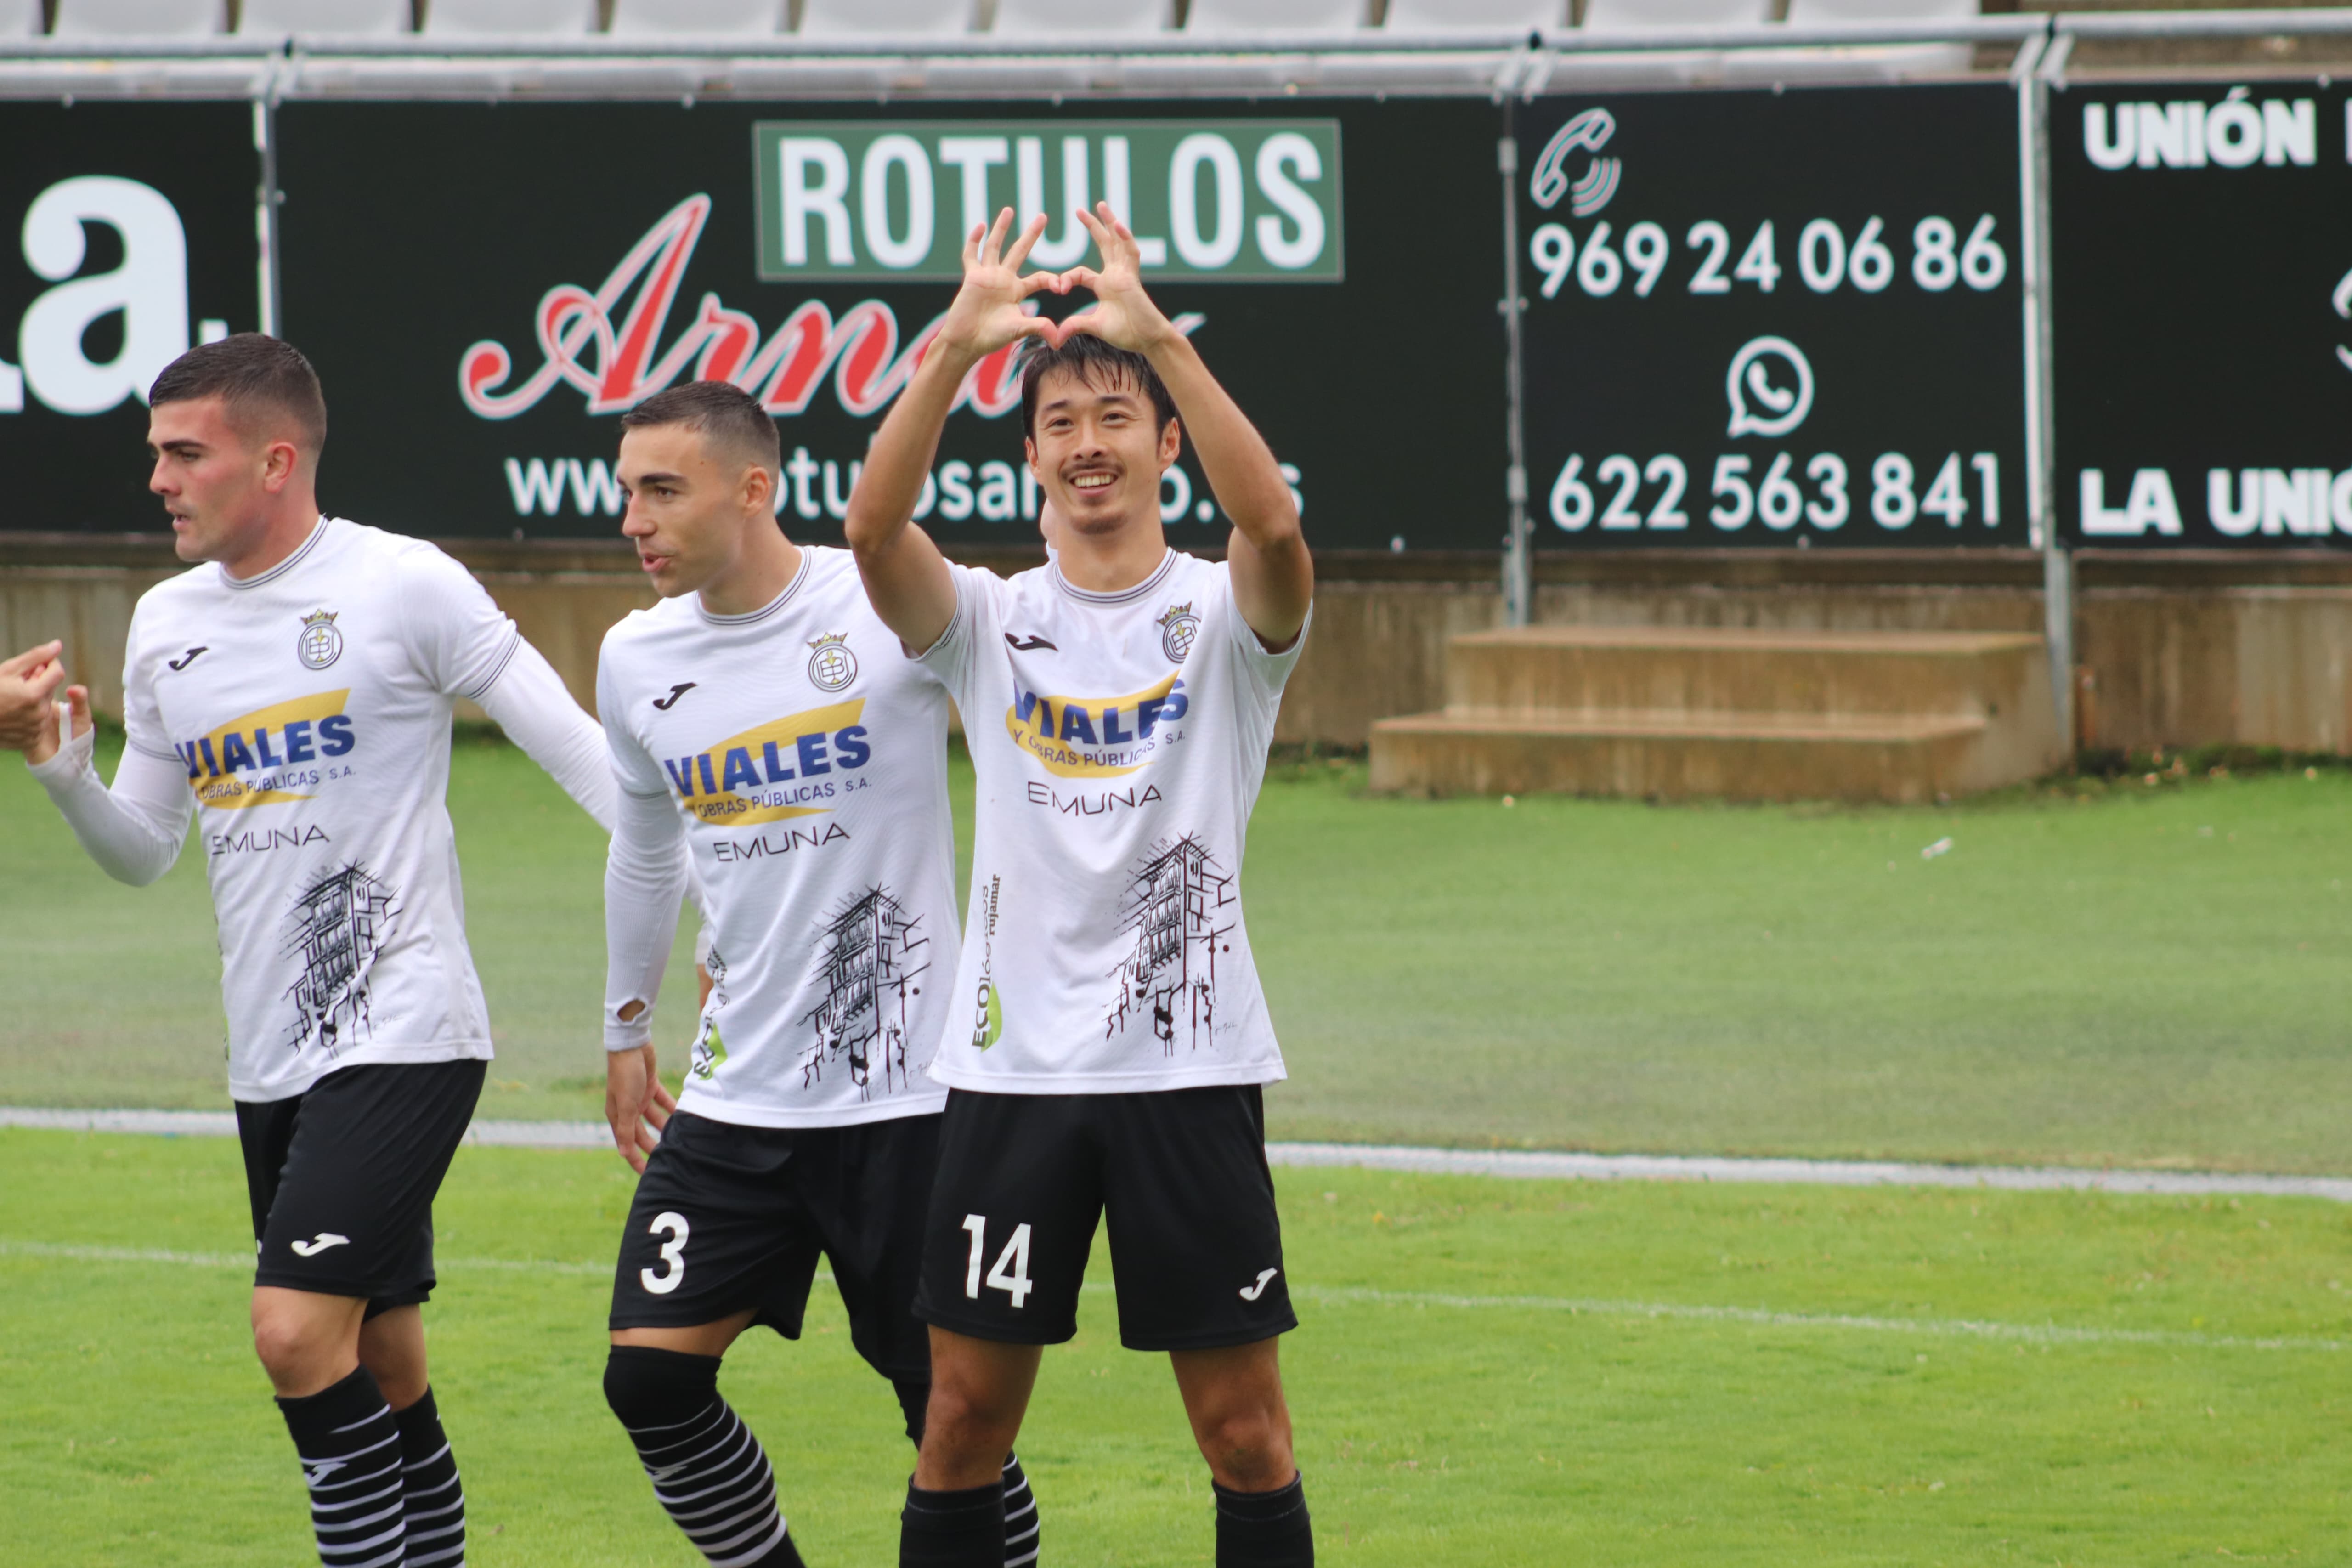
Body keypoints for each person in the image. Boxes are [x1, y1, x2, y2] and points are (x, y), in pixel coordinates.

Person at [9, 334, 620, 1568]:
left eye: (187, 454)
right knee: (383, 1366)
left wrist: (719, 902)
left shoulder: (405, 584)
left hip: (407, 1030)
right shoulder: (166, 624)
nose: (159, 480)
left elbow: (584, 757)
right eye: (157, 454)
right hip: (269, 1059)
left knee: (292, 1336)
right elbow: (148, 849)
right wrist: (61, 770)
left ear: (276, 461)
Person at [844, 205, 1317, 1568]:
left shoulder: (1226, 618)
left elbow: (1274, 522)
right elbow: (874, 530)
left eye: (1117, 417)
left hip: (1187, 1071)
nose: (1089, 443)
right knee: (960, 1424)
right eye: (1061, 424)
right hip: (1014, 1081)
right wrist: (954, 346)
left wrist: (1158, 337)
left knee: (1245, 1436)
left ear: (1168, 446)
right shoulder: (989, 623)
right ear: (1033, 459)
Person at [595, 380, 1040, 1568]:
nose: (634, 519)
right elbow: (645, 846)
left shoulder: (884, 606)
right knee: (650, 1384)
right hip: (736, 1099)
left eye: (662, 490)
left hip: (915, 1106)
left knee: (955, 1420)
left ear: (754, 489)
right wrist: (626, 1025)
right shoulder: (635, 656)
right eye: (628, 490)